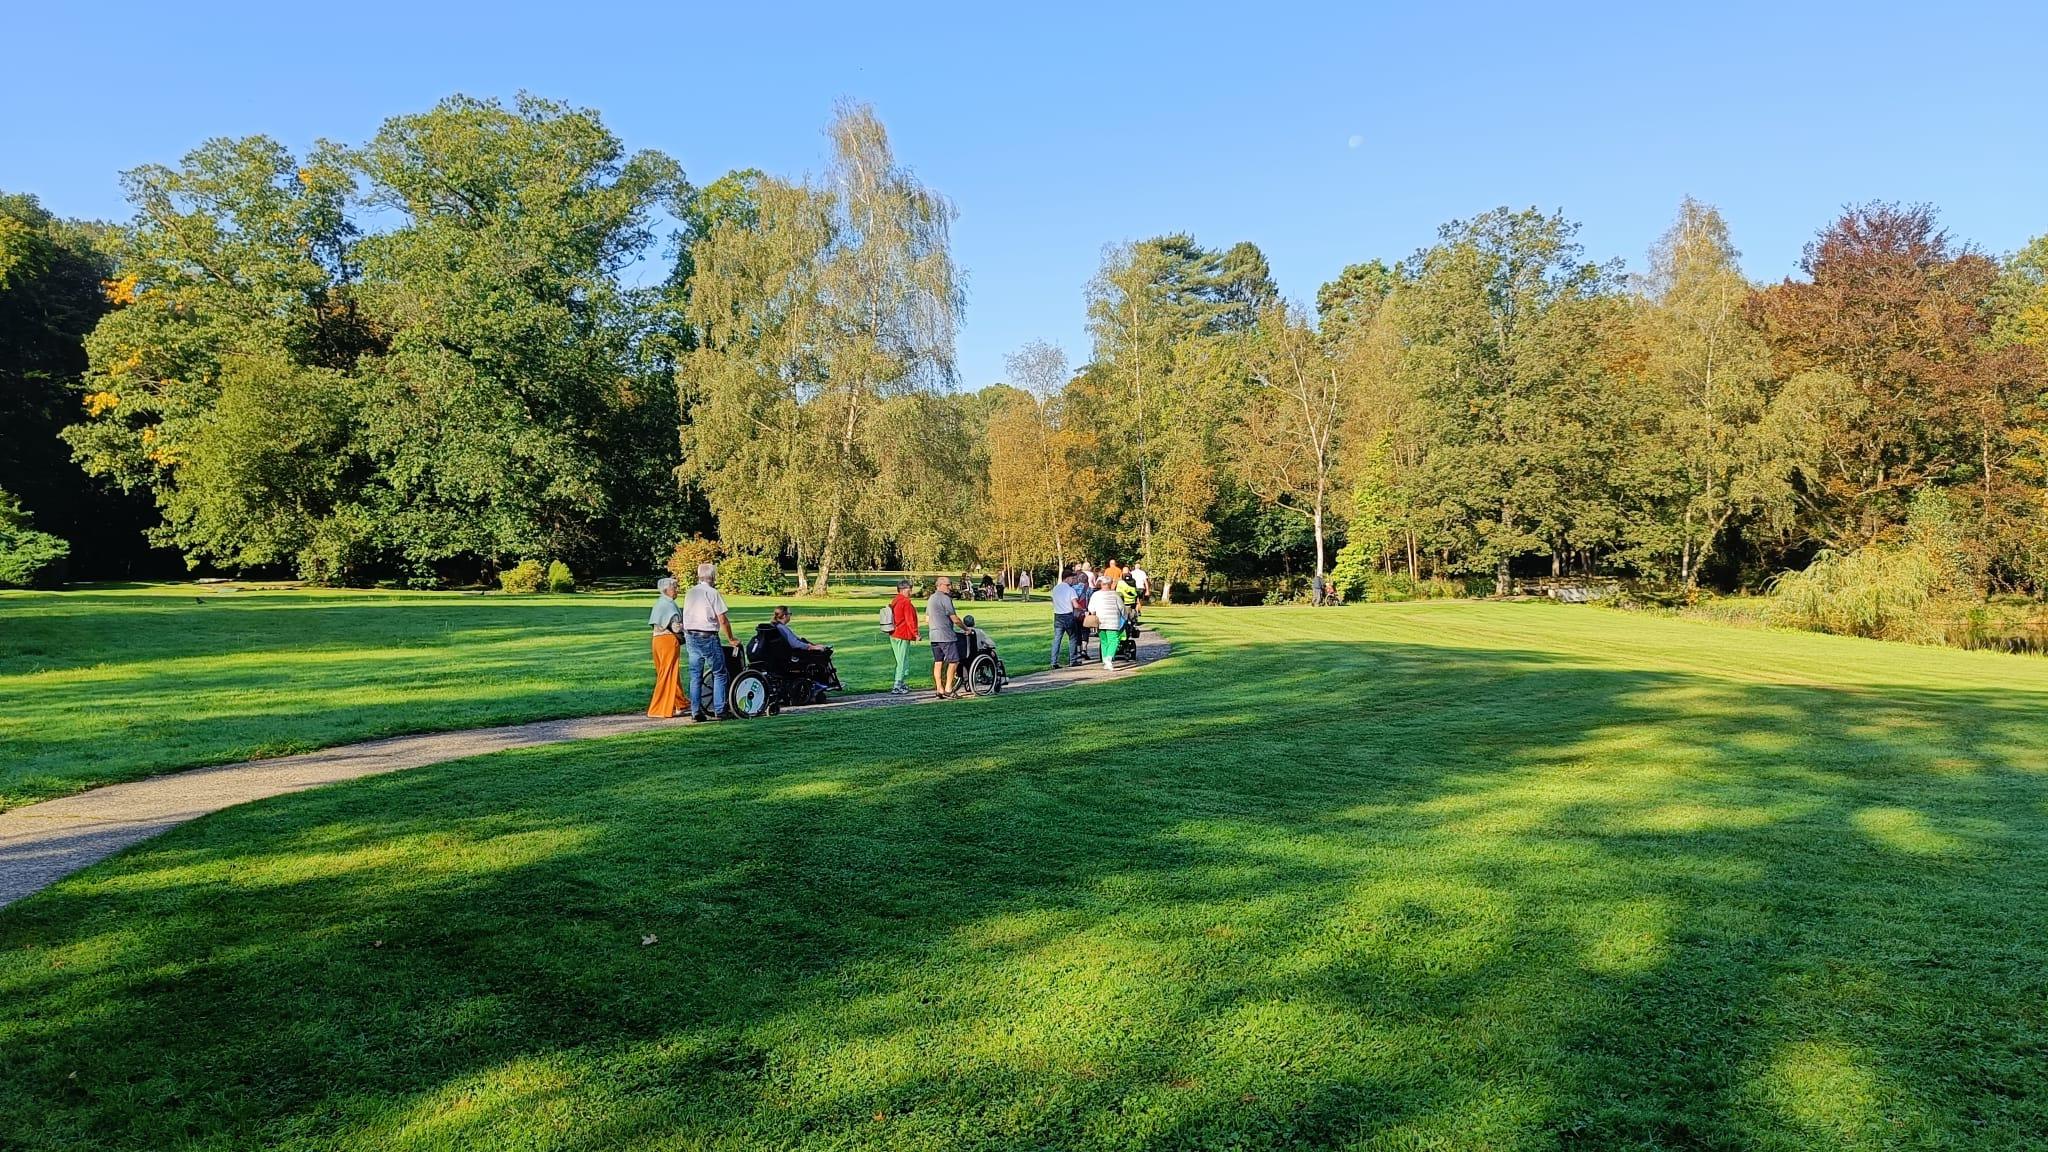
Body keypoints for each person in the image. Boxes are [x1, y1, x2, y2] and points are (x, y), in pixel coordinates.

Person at [682, 562, 737, 722]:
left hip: (691, 635)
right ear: (713, 576)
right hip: (707, 635)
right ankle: (720, 709)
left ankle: (695, 711)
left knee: (695, 675)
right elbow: (722, 619)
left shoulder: (690, 592)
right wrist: (731, 638)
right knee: (719, 673)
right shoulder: (712, 593)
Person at [646, 577, 686, 718]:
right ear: (666, 590)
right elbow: (675, 627)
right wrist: (687, 626)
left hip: (657, 640)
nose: (677, 590)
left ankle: (680, 703)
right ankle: (659, 708)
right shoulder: (669, 605)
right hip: (668, 640)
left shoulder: (659, 603)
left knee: (667, 672)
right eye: (674, 587)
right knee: (668, 673)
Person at [770, 605, 834, 685]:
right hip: (793, 656)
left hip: (787, 654)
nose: (790, 616)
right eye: (790, 614)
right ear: (784, 616)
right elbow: (795, 643)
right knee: (823, 654)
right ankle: (827, 682)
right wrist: (811, 647)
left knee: (820, 650)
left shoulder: (776, 626)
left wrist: (813, 645)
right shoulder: (782, 628)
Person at [927, 575, 966, 697]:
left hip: (934, 635)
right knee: (954, 661)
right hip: (946, 635)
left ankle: (939, 689)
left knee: (938, 661)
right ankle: (949, 688)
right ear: (939, 585)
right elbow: (955, 618)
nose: (950, 587)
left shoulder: (931, 598)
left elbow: (927, 618)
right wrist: (966, 629)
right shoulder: (945, 599)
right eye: (947, 585)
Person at [1087, 575, 1126, 671]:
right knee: (1113, 640)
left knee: (1104, 641)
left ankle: (1105, 660)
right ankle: (1109, 658)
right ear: (1110, 584)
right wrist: (1125, 617)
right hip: (1113, 621)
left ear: (1101, 584)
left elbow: (1091, 608)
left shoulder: (1095, 595)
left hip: (1100, 621)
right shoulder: (1115, 595)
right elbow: (1122, 608)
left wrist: (1094, 613)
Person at [887, 579, 918, 695]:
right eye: (910, 589)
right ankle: (897, 684)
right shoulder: (906, 602)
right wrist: (915, 634)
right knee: (902, 660)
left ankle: (901, 682)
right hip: (903, 634)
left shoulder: (895, 600)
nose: (911, 591)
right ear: (904, 589)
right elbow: (910, 620)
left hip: (893, 633)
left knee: (899, 659)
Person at [1049, 566, 1082, 668]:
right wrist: (1082, 609)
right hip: (1068, 616)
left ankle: (1054, 661)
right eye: (1072, 578)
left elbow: (1053, 602)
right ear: (1067, 578)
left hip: (1058, 616)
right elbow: (1075, 605)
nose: (1073, 580)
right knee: (1072, 638)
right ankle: (1073, 660)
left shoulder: (1055, 589)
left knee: (1057, 639)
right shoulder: (1070, 590)